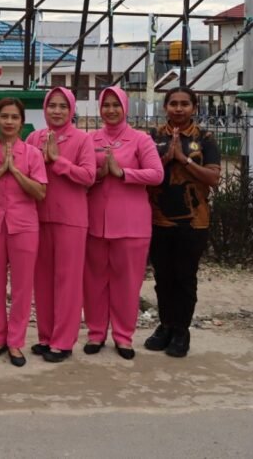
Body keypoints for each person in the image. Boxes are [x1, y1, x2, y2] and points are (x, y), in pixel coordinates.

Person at [84, 86, 163, 360]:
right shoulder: (90, 139)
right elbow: (82, 175)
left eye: (116, 105)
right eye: (105, 105)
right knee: (93, 282)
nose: (110, 110)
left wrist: (123, 173)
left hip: (131, 225)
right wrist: (98, 173)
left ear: (125, 107)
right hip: (95, 223)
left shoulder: (140, 139)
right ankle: (95, 333)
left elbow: (156, 174)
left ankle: (123, 336)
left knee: (127, 283)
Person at [0, 98, 47, 367]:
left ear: (22, 123)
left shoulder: (33, 154)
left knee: (23, 287)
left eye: (15, 117)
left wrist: (14, 171)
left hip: (24, 226)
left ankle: (16, 342)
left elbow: (40, 191)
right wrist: (0, 170)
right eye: (5, 116)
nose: (10, 122)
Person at [145, 86, 221, 357]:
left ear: (194, 107)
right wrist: (165, 161)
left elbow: (213, 178)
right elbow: (146, 173)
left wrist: (182, 159)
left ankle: (181, 330)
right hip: (159, 218)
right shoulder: (153, 137)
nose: (178, 108)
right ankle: (164, 326)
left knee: (185, 278)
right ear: (165, 107)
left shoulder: (206, 138)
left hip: (194, 221)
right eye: (173, 103)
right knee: (163, 277)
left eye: (184, 104)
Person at [25, 87, 96, 363]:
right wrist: (39, 159)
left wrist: (58, 161)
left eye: (62, 106)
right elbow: (25, 171)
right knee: (41, 280)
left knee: (67, 281)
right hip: (38, 217)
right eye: (52, 105)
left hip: (71, 219)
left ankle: (63, 341)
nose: (56, 111)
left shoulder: (82, 140)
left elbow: (89, 176)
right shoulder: (34, 138)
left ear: (71, 110)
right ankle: (45, 337)